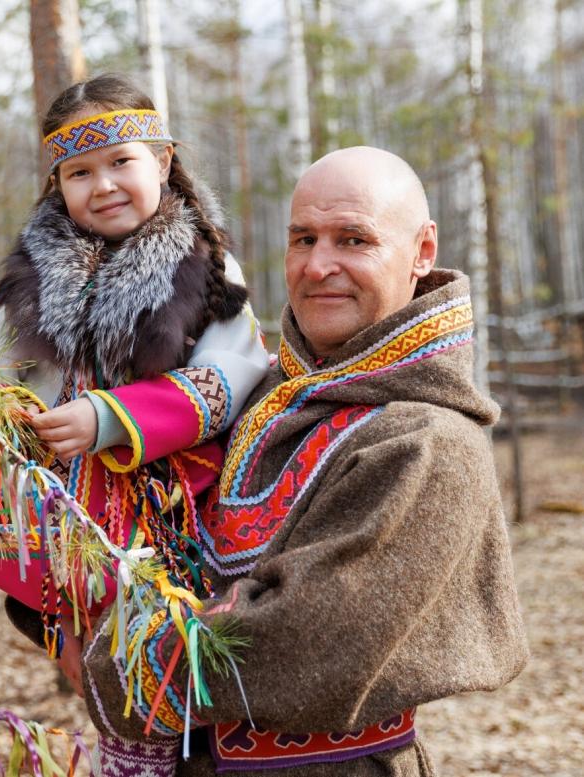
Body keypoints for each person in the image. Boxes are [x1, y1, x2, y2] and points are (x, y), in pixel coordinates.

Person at [80, 146, 529, 776]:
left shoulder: (428, 442)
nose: (320, 266)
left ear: (422, 252)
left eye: (353, 239)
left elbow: (304, 640)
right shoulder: (256, 395)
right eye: (303, 239)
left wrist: (117, 658)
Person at [0, 74, 269, 669]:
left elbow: (230, 376)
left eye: (121, 161)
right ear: (57, 184)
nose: (105, 185)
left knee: (162, 676)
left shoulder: (207, 265)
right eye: (80, 172)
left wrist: (110, 417)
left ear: (163, 161)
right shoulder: (28, 276)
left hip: (170, 524)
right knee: (91, 670)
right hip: (50, 527)